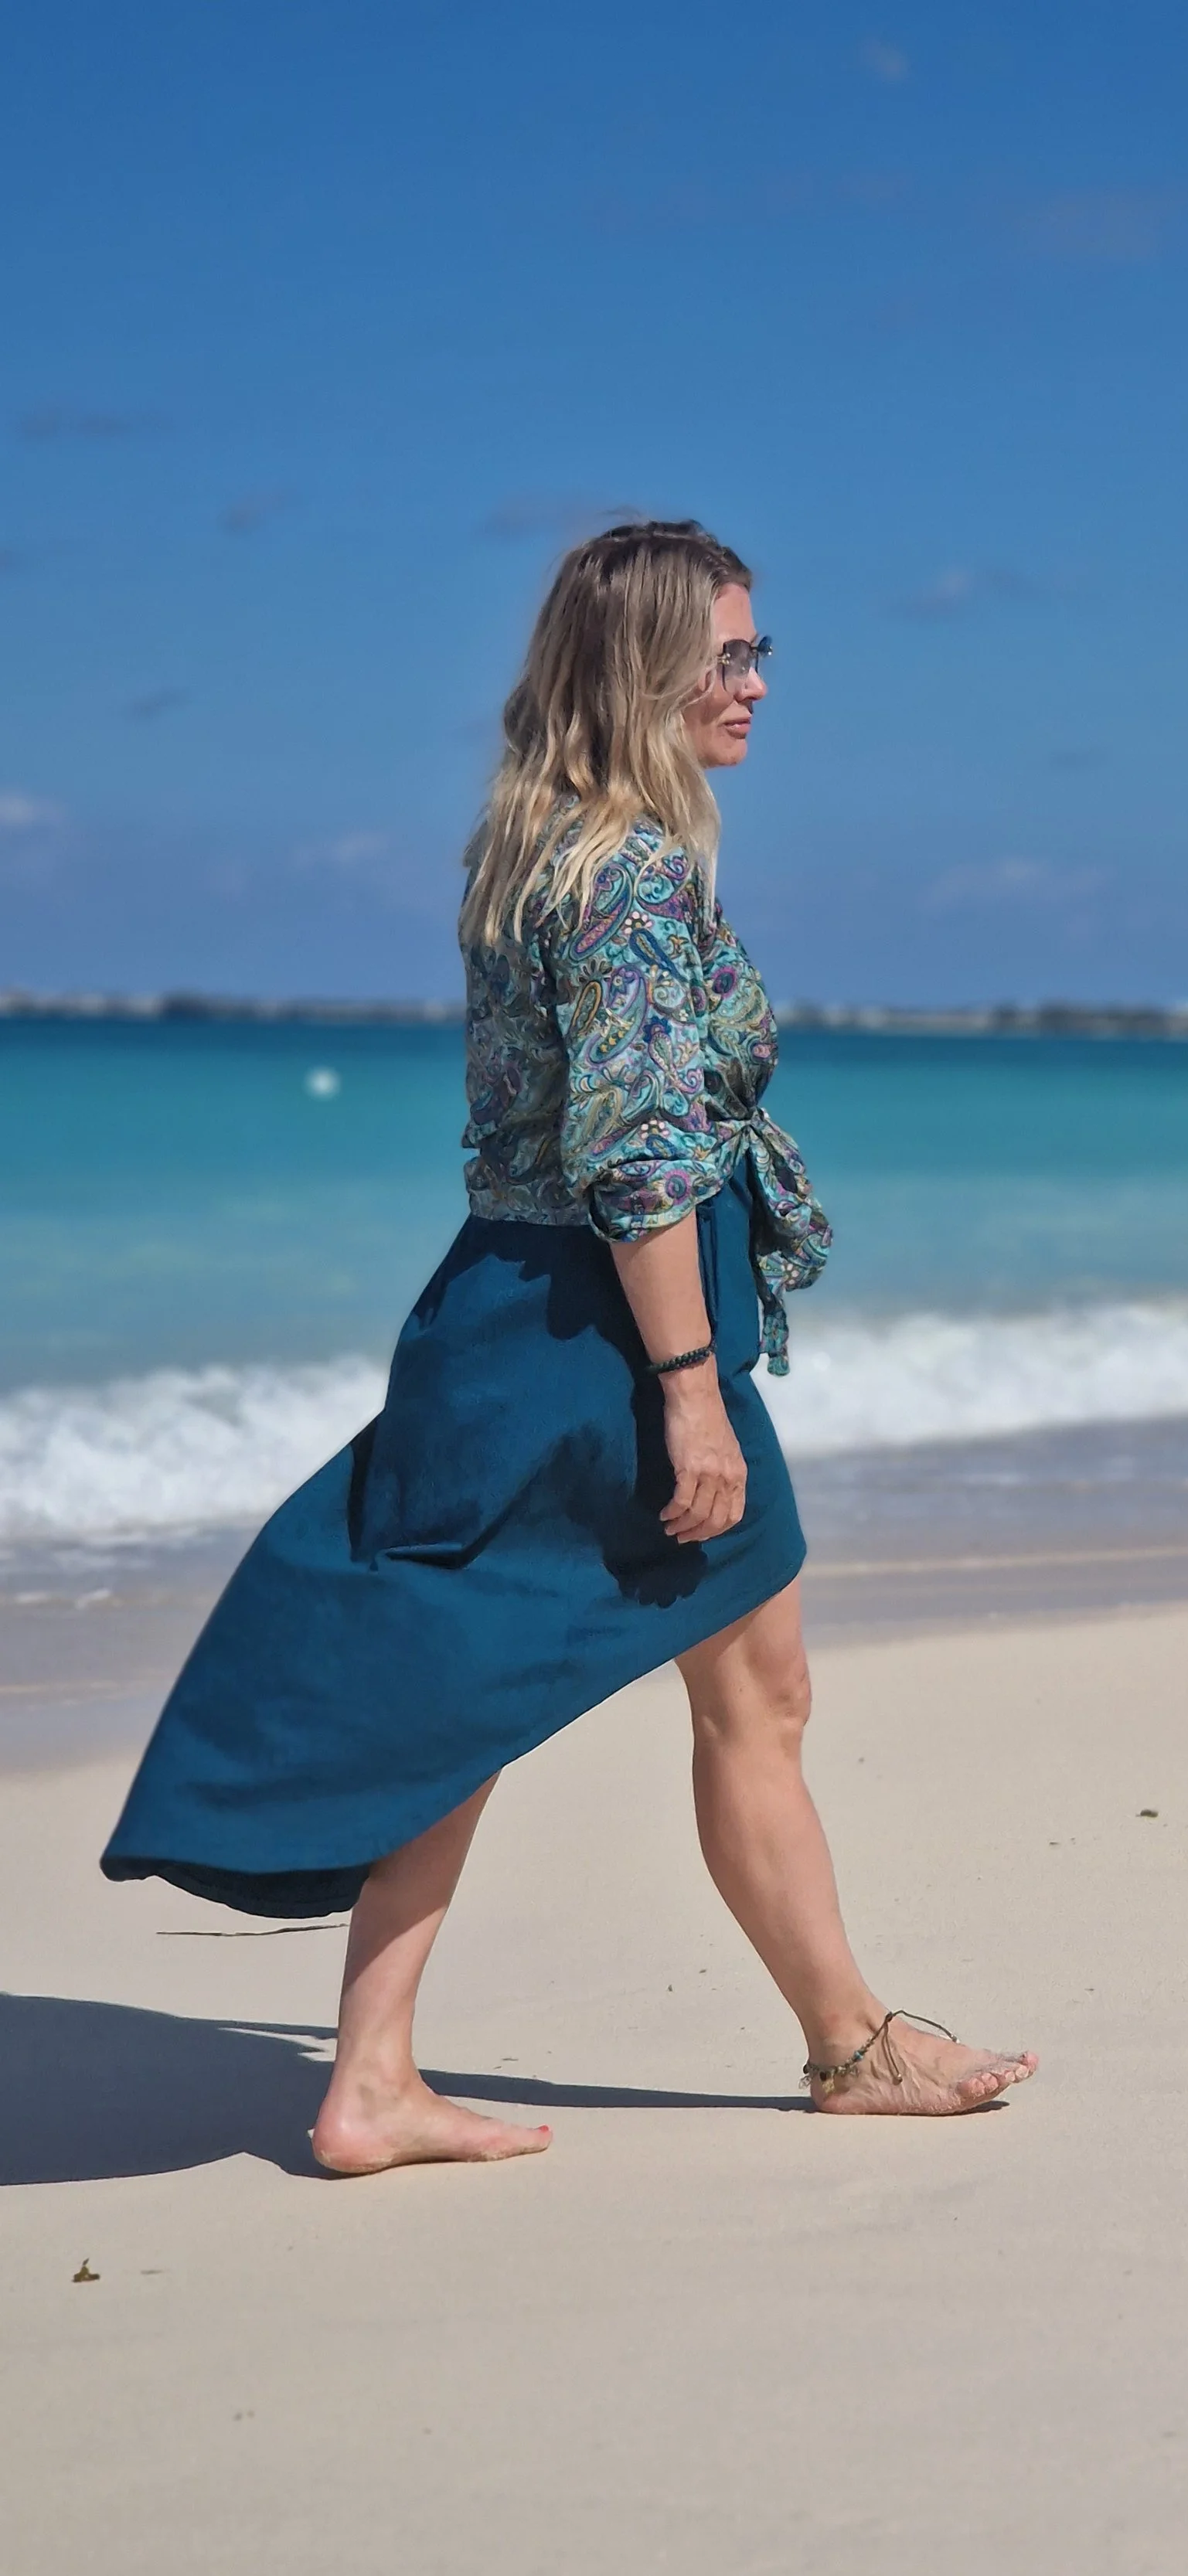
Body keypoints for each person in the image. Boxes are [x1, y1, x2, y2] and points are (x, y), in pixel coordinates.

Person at [102, 520, 1037, 2170]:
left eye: (759, 655)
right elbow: (632, 1151)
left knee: (585, 1681)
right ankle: (838, 2047)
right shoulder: (626, 872)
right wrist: (687, 1393)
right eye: (723, 656)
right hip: (597, 1340)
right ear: (640, 667)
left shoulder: (537, 841)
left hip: (524, 1316)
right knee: (706, 1692)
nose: (752, 684)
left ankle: (394, 2075)